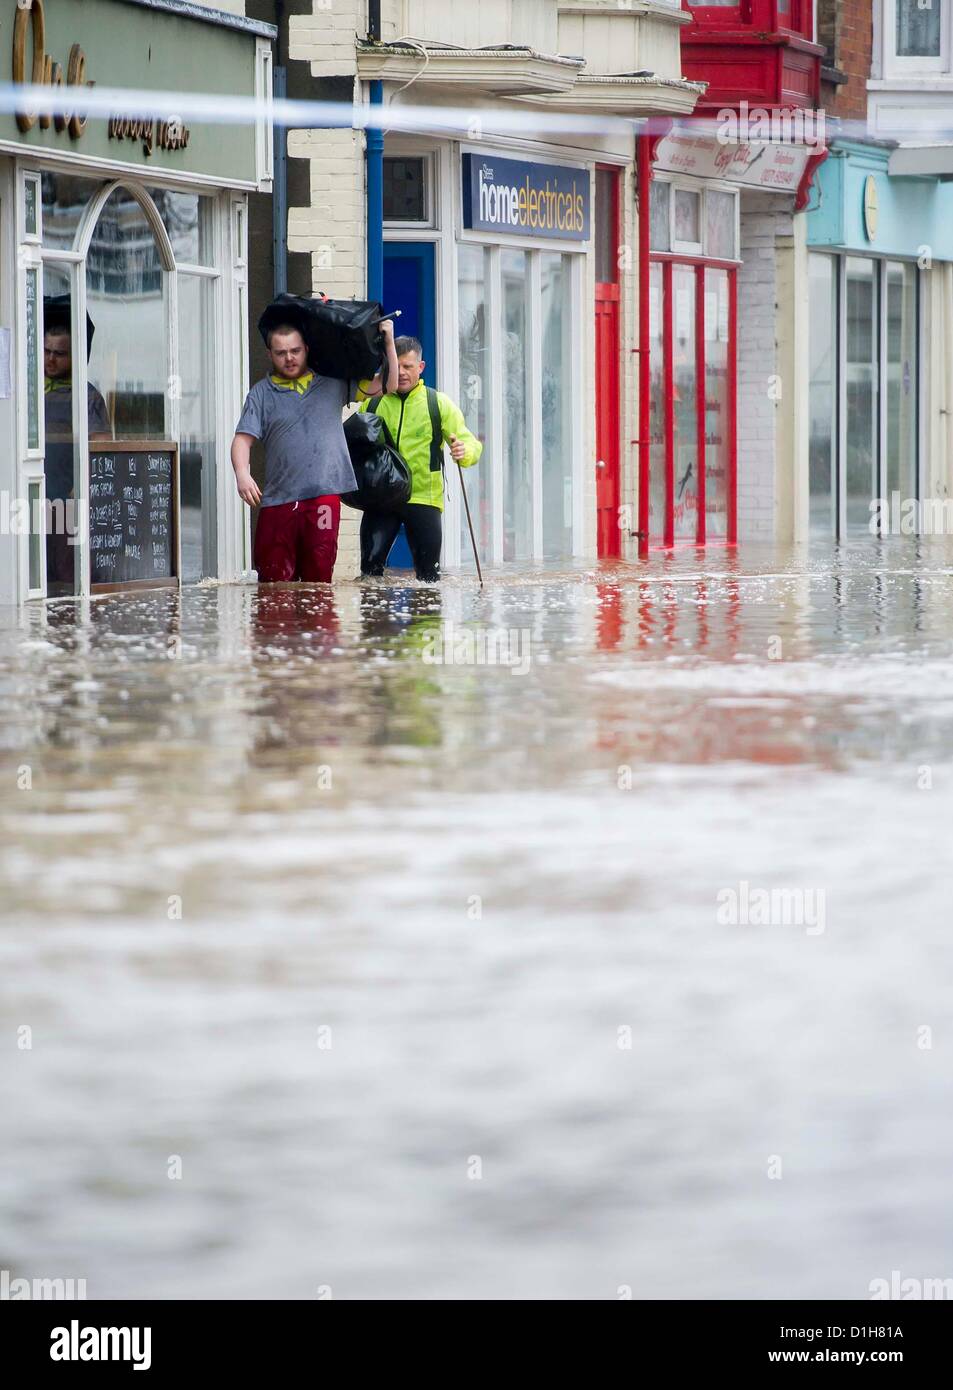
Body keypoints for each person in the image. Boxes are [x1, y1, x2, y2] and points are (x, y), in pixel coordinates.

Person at [231, 319, 398, 583]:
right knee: (273, 587)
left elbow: (388, 385)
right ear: (269, 355)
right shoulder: (260, 394)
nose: (289, 358)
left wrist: (388, 341)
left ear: (306, 349)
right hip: (278, 501)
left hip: (323, 499)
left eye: (295, 351)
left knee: (318, 583)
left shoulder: (333, 383)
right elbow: (242, 439)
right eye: (281, 353)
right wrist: (242, 472)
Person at [359, 337, 482, 582]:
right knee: (369, 575)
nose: (402, 373)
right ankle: (373, 620)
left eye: (408, 366)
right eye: (397, 366)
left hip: (424, 497)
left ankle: (427, 620)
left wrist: (463, 451)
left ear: (421, 367)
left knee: (428, 578)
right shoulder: (372, 403)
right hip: (381, 498)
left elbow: (472, 444)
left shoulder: (438, 403)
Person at [43, 313, 111, 590]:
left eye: (60, 353)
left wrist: (83, 485)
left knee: (67, 578)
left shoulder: (86, 395)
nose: (51, 359)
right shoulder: (28, 390)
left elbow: (101, 448)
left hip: (68, 503)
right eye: (47, 351)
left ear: (76, 356)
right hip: (29, 499)